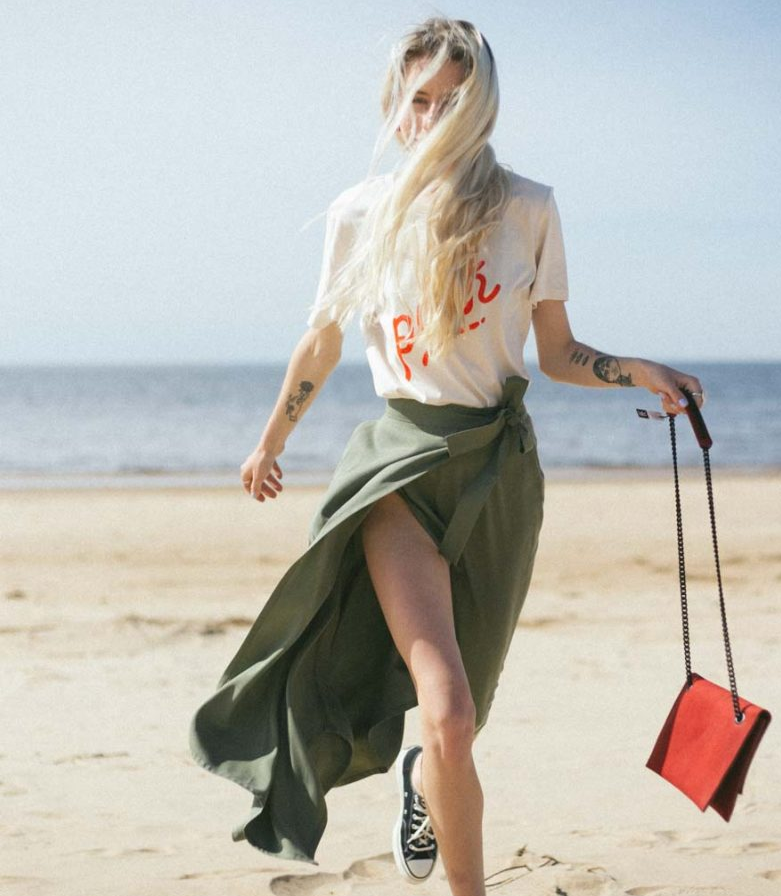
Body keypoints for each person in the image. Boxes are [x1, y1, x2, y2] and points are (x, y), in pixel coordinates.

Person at [188, 17, 705, 896]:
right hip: (399, 472)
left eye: (453, 101)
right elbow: (320, 341)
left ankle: (421, 784)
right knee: (450, 712)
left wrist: (634, 372)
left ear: (483, 107)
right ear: (395, 108)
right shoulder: (360, 213)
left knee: (462, 721)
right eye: (417, 99)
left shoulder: (529, 207)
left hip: (498, 473)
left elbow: (555, 355)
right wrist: (271, 438)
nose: (432, 118)